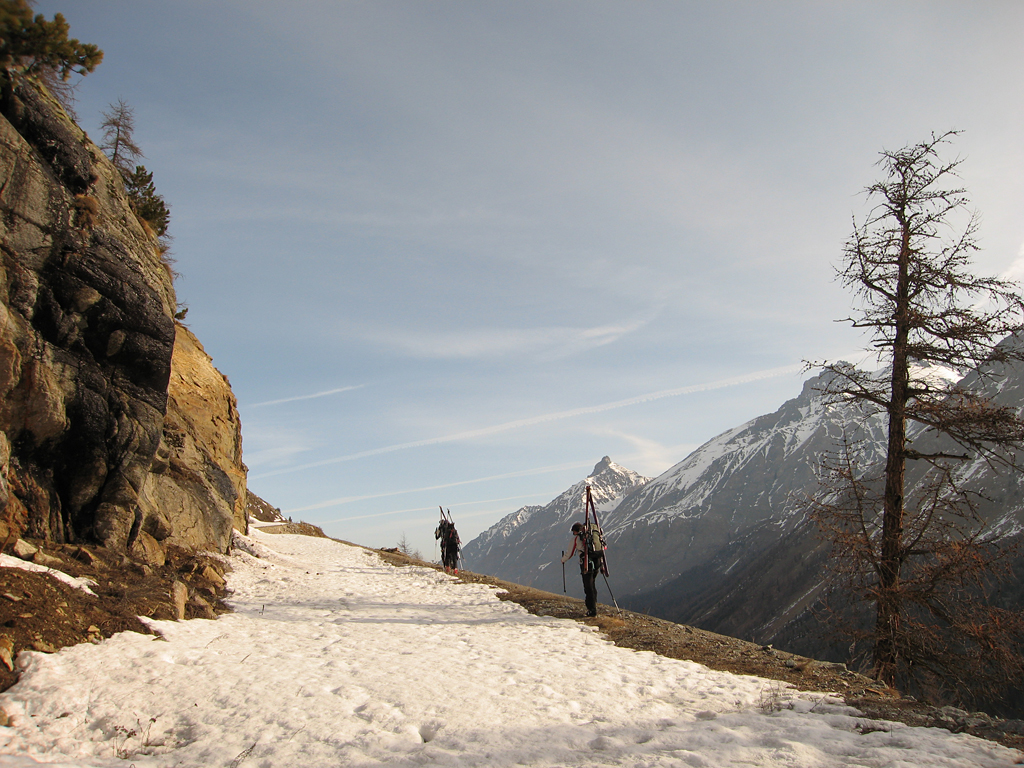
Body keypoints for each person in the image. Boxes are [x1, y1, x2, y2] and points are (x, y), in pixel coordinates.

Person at [561, 522, 603, 617]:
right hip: (597, 560)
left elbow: (570, 553)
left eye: (573, 532)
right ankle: (594, 603)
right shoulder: (592, 535)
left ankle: (591, 610)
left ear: (575, 531)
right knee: (592, 583)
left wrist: (563, 560)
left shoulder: (576, 539)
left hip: (586, 563)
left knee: (588, 586)